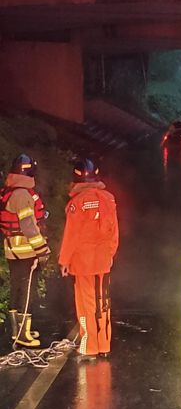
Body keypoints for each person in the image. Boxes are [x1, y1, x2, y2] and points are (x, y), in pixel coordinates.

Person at [59, 158, 119, 360]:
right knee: (103, 303)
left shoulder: (76, 203)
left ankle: (89, 346)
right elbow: (114, 233)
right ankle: (104, 344)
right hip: (103, 261)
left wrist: (64, 261)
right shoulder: (109, 198)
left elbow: (71, 235)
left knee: (86, 305)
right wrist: (109, 254)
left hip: (83, 263)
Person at [0, 154, 50, 347]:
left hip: (12, 250)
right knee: (26, 292)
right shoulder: (22, 195)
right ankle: (22, 335)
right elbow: (29, 225)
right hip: (26, 252)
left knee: (16, 290)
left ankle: (17, 331)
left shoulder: (8, 191)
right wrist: (42, 250)